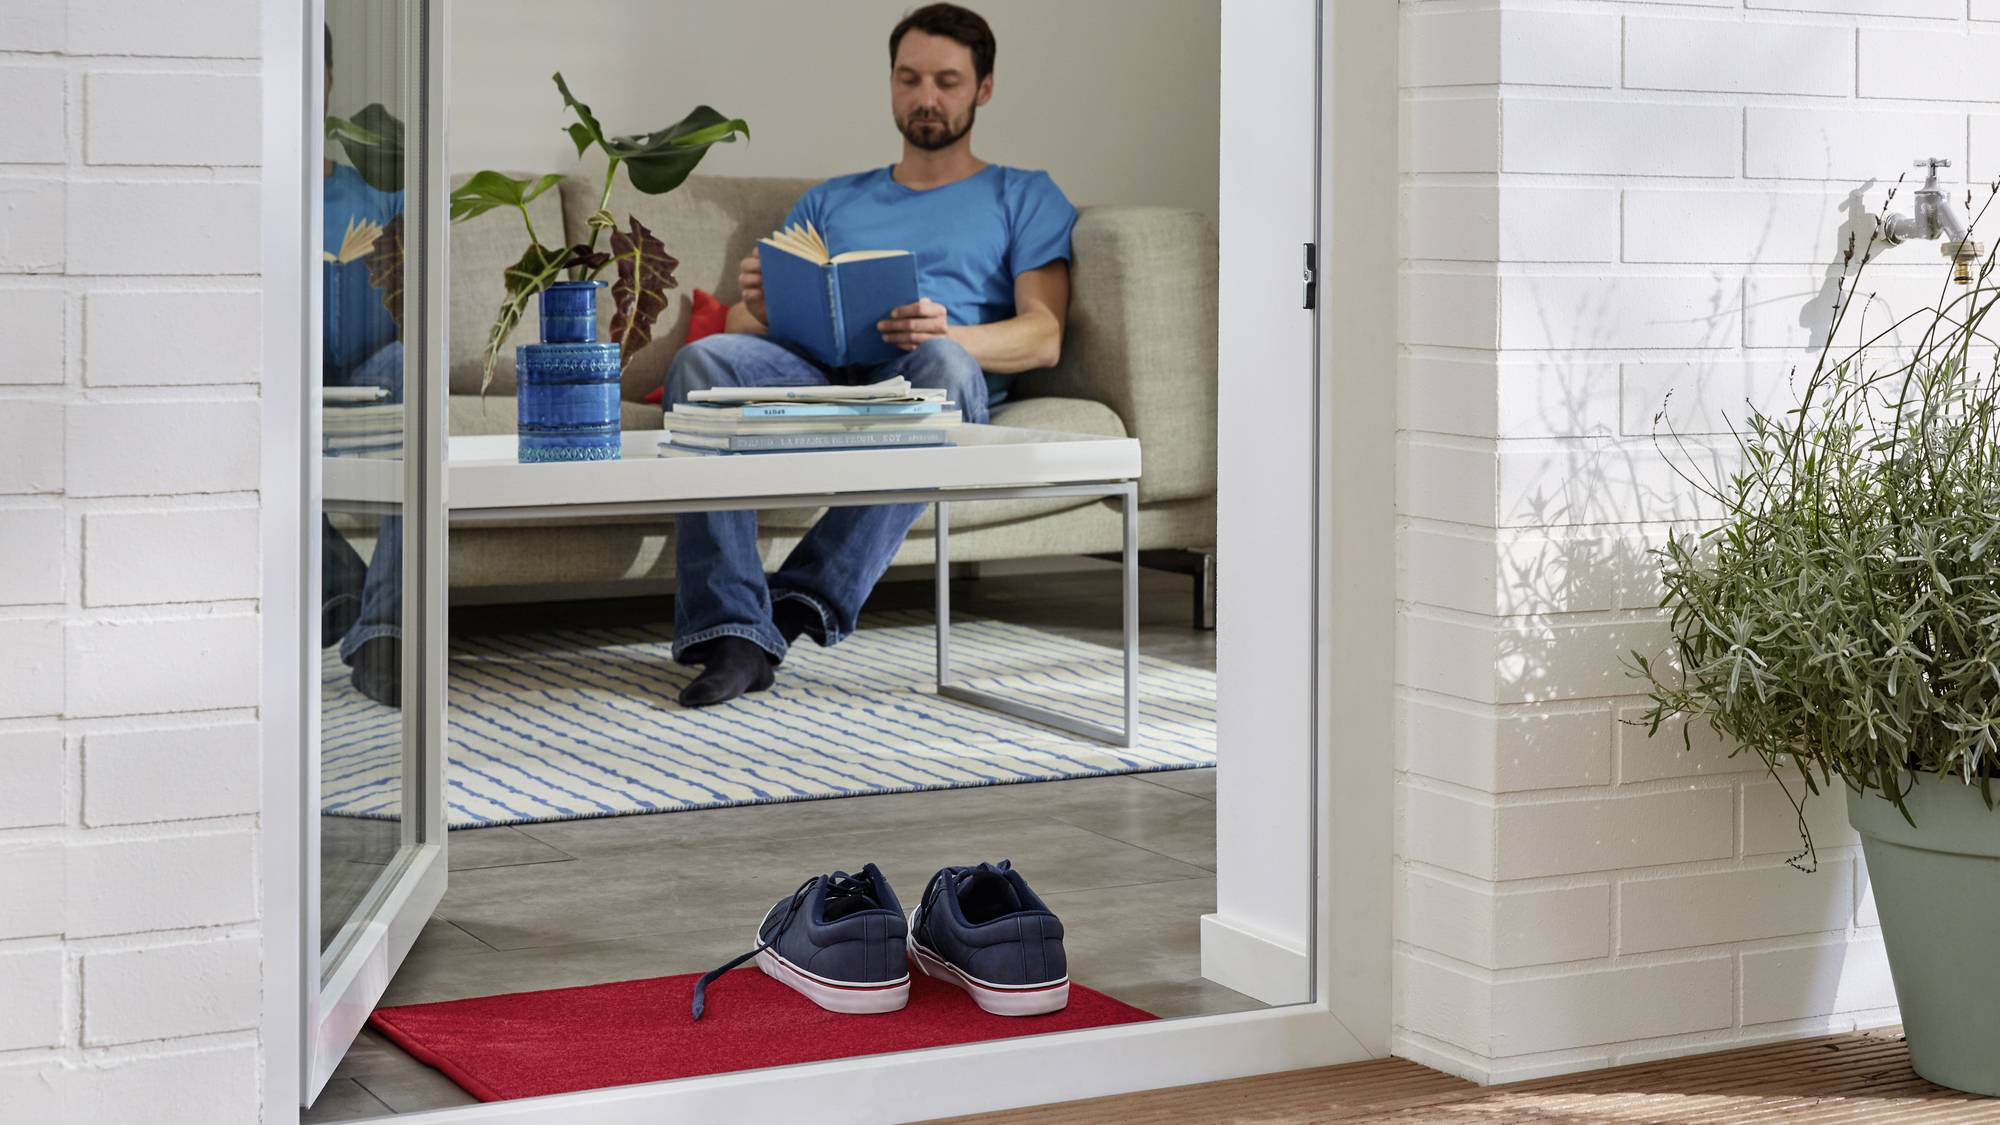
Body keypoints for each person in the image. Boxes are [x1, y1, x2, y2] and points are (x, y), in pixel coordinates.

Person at [666, 2, 1077, 708]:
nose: (925, 98)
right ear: (891, 82)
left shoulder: (1023, 194)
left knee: (943, 371)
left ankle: (793, 605)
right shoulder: (833, 199)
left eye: (947, 81)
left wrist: (950, 335)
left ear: (984, 88)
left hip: (929, 378)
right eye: (909, 78)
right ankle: (732, 627)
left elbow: (1044, 334)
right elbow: (738, 324)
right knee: (703, 363)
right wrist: (759, 309)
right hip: (827, 373)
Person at [320, 27, 406, 708]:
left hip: (368, 372)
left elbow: (424, 303)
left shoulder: (377, 193)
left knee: (413, 366)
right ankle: (344, 588)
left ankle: (384, 634)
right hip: (277, 379)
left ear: (324, 84)